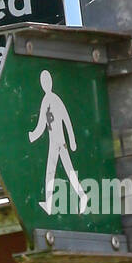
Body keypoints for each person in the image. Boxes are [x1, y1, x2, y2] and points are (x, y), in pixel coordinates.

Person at [29, 69, 88, 213]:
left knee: (61, 171)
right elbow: (41, 124)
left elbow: (66, 120)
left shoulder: (55, 99)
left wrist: (72, 140)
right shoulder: (45, 101)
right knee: (54, 171)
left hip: (60, 142)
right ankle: (51, 204)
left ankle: (82, 196)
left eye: (47, 81)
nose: (45, 84)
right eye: (43, 82)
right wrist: (32, 135)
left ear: (50, 82)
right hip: (54, 143)